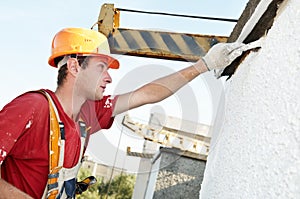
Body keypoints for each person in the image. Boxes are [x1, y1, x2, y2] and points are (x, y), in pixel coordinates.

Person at [0, 27, 246, 198]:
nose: (108, 77)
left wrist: (204, 65)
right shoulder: (32, 108)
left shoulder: (88, 116)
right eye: (101, 68)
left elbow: (147, 94)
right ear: (74, 66)